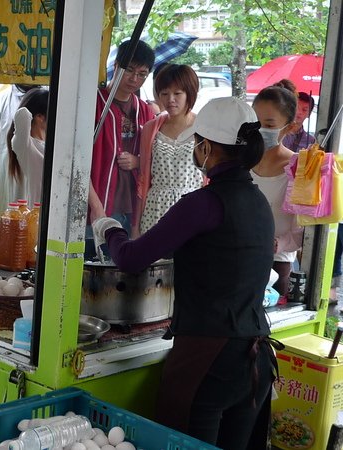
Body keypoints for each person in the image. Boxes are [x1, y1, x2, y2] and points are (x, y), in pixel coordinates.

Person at [92, 97, 277, 449]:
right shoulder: (257, 201)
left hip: (210, 359)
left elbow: (131, 258)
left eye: (196, 143)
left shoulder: (202, 204)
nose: (195, 148)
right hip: (255, 359)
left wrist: (110, 229)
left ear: (206, 147)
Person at [87, 39, 156, 257]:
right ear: (116, 65)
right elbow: (75, 161)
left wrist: (137, 161)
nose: (134, 79)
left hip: (132, 211)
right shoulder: (94, 104)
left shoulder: (145, 111)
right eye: (130, 70)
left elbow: (156, 157)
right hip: (98, 208)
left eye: (142, 74)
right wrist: (95, 207)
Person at [134, 64, 203, 237]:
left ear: (190, 93)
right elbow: (143, 180)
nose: (170, 99)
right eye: (164, 93)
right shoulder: (151, 128)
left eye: (177, 93)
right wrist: (135, 227)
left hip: (192, 209)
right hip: (154, 210)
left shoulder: (205, 128)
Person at [252, 80, 304, 296]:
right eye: (255, 122)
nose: (260, 130)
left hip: (276, 267)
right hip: (237, 258)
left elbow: (303, 231)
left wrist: (278, 244)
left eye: (270, 125)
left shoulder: (299, 169)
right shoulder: (240, 161)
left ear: (290, 127)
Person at [0, 84, 40, 224]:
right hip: (7, 179)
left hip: (39, 181)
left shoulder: (48, 97)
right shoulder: (0, 102)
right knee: (8, 230)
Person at [7, 88, 49, 205]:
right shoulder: (25, 145)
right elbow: (23, 114)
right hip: (37, 213)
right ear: (39, 116)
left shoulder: (49, 145)